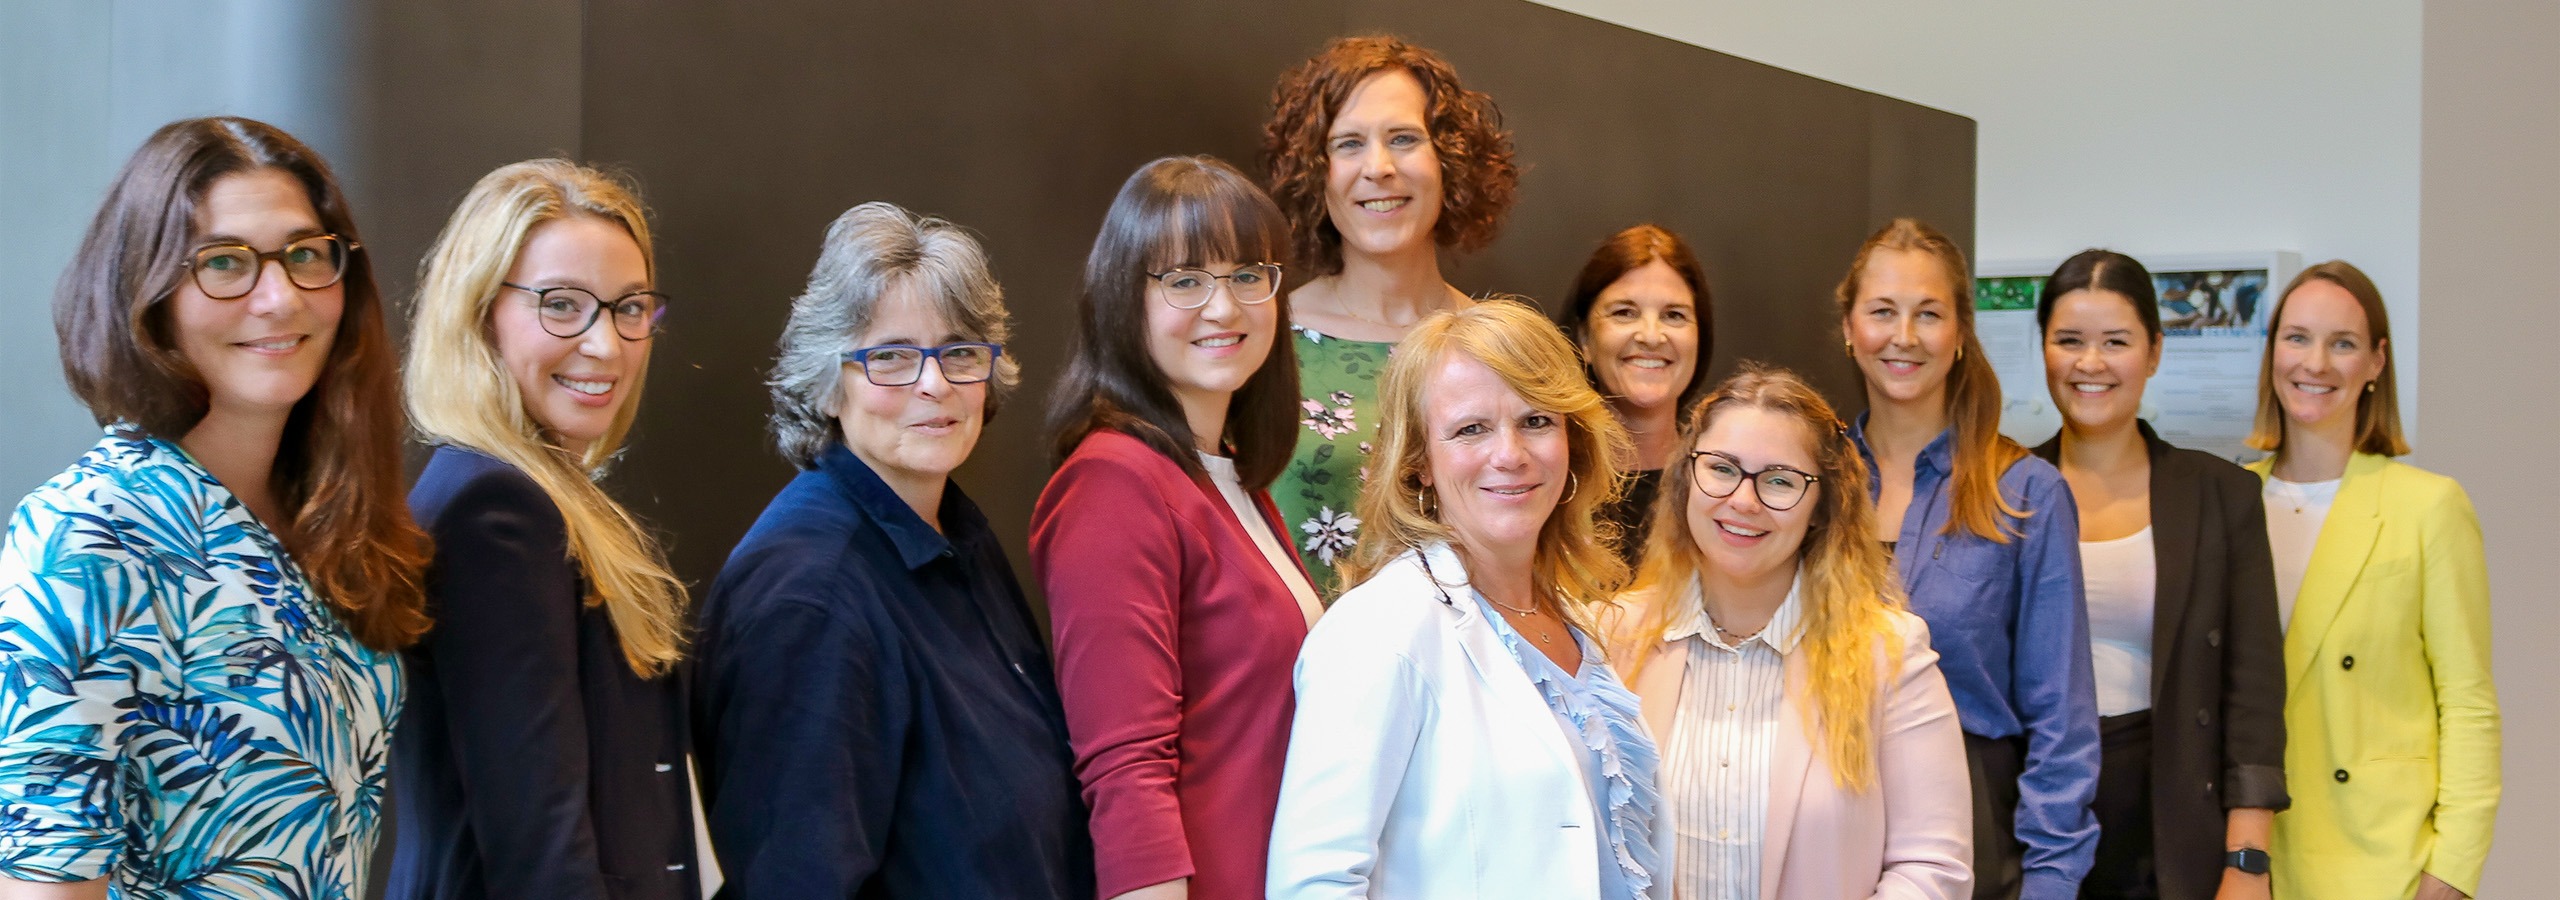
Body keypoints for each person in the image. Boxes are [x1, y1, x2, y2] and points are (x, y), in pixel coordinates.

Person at [0, 116, 429, 898]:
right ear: (147, 295)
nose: (279, 297)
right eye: (225, 262)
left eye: (305, 255)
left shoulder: (323, 521)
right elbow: (43, 881)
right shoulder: (89, 531)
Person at [691, 203, 1092, 898]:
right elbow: (794, 883)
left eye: (959, 352)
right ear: (828, 385)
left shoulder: (950, 534)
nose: (934, 384)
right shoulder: (811, 595)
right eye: (891, 356)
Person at [1266, 300, 1657, 900]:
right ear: (1419, 461)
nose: (1511, 454)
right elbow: (1313, 885)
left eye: (1536, 420)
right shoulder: (1378, 631)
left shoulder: (1570, 619)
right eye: (1471, 429)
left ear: (1571, 441)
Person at [389, 160, 698, 900]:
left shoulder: (535, 494)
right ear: (479, 311)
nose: (607, 344)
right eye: (562, 305)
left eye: (630, 308)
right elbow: (543, 850)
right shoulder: (495, 509)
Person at [1033, 156, 1317, 900]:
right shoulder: (1112, 484)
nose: (1224, 308)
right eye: (1185, 280)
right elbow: (1126, 772)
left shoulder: (1230, 477)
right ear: (1123, 301)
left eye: (1248, 275)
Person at [1614, 363, 1970, 900]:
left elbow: (1932, 867)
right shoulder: (1612, 638)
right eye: (1722, 468)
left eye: (1779, 480)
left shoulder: (1891, 654)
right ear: (1687, 478)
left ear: (1822, 506)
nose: (1743, 500)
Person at [1837, 218, 2098, 900]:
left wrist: (2051, 880)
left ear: (1959, 336)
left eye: (1929, 314)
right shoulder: (1809, 481)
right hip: (1827, 809)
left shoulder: (2026, 493)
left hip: (1975, 821)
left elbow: (2061, 717)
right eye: (1882, 311)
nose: (1904, 335)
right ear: (1849, 329)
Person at [2025, 250, 2289, 900]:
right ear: (2044, 349)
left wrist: (2247, 863)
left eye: (2115, 341)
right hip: (2033, 817)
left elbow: (2253, 696)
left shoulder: (2220, 495)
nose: (2091, 363)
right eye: (2069, 341)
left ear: (2155, 351)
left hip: (2173, 823)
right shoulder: (2004, 491)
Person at [2242, 261, 2497, 900]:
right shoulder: (2229, 498)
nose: (2316, 363)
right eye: (2297, 338)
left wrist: (2454, 869)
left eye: (2343, 343)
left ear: (2377, 361)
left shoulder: (2429, 506)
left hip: (2382, 858)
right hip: (2250, 855)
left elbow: (2467, 701)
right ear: (2272, 351)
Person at [1259, 35, 1520, 593]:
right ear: (1315, 172)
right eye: (1348, 144)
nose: (1377, 167)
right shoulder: (1262, 340)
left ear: (1449, 161)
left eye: (1403, 139)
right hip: (1297, 649)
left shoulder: (1501, 350)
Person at [1555, 224, 1716, 565]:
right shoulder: (1549, 485)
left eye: (1674, 315)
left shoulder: (1725, 487)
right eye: (1624, 313)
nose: (1651, 336)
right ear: (1584, 339)